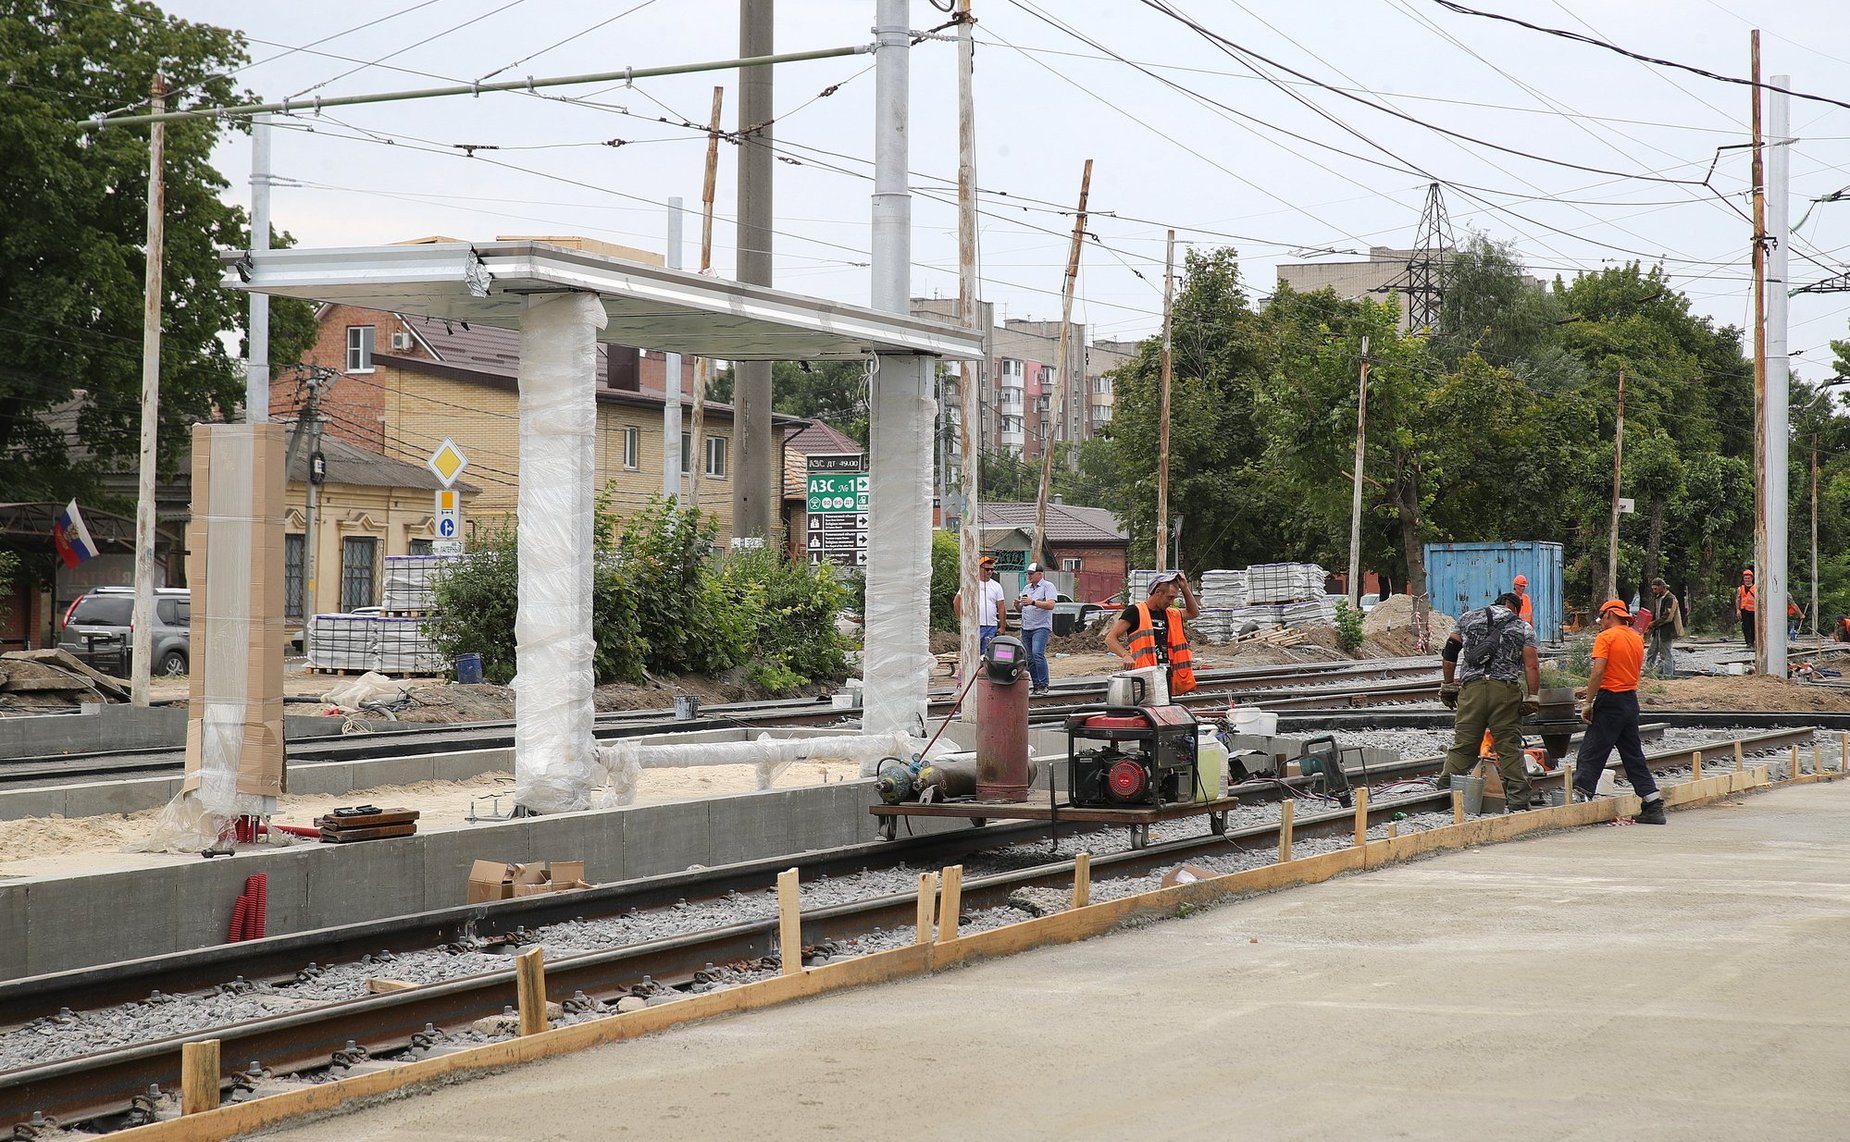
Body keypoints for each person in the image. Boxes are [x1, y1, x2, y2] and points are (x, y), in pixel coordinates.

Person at [1437, 592, 1540, 812]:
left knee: (1464, 744)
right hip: (1505, 692)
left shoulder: (1468, 618)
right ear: (1516, 608)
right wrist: (1533, 695)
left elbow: (1450, 651)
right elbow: (1532, 665)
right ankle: (1518, 800)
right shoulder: (1523, 627)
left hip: (1472, 690)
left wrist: (1447, 684)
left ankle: (1445, 790)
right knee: (1508, 746)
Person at [1572, 598, 1665, 825]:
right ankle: (1653, 804)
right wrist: (1589, 689)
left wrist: (1588, 702)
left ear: (1609, 615)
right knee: (1633, 755)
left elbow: (1599, 670)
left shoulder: (1606, 637)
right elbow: (1619, 671)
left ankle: (1579, 799)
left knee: (1592, 751)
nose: (1600, 623)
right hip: (1629, 702)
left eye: (1601, 617)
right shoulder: (1635, 638)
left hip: (1610, 702)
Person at [1103, 569, 1201, 696]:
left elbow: (1194, 613)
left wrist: (1185, 588)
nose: (1171, 602)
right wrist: (1125, 655)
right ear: (1158, 592)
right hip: (1145, 676)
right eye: (1170, 597)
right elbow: (1110, 638)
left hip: (1166, 674)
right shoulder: (1136, 611)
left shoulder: (1171, 614)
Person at [1016, 562, 1059, 696]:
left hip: (1041, 626)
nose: (1029, 576)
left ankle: (1043, 684)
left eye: (1031, 574)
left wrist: (1033, 602)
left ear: (1040, 574)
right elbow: (1021, 608)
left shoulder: (1048, 586)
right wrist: (1018, 605)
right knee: (1029, 658)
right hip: (1026, 627)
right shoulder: (1027, 588)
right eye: (1028, 574)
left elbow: (1051, 605)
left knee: (1037, 654)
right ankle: (1036, 685)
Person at [953, 556, 1007, 657]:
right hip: (974, 625)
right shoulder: (970, 584)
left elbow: (1001, 607)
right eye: (987, 569)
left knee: (988, 655)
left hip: (991, 626)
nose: (989, 572)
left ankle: (984, 672)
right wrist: (962, 619)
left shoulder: (996, 586)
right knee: (971, 654)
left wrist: (1003, 626)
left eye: (991, 569)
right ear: (979, 568)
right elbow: (956, 601)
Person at [1645, 578, 1683, 678]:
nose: (1654, 591)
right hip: (1658, 630)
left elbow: (1668, 617)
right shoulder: (1658, 598)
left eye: (1656, 589)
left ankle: (1668, 675)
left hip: (1667, 630)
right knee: (1651, 651)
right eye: (1653, 589)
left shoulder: (1671, 598)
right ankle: (1648, 673)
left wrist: (1652, 624)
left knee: (1665, 653)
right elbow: (1657, 613)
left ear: (1662, 586)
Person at [1736, 569, 1756, 648]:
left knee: (1753, 626)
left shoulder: (1756, 588)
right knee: (1746, 626)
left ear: (1752, 578)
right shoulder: (1740, 588)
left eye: (1748, 578)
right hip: (1744, 609)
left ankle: (1753, 641)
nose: (1747, 580)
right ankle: (1748, 642)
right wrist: (1738, 610)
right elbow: (1738, 599)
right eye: (1745, 578)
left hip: (1754, 610)